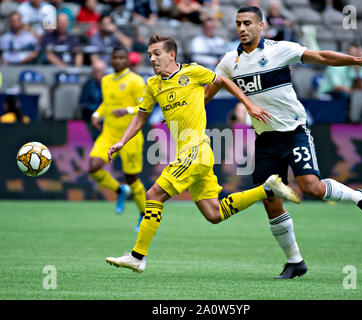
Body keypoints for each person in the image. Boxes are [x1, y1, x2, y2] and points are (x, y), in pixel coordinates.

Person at [205, 6, 362, 279]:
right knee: (271, 200)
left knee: (310, 186)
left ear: (261, 26)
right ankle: (295, 262)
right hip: (265, 138)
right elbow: (209, 91)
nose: (242, 28)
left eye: (248, 23)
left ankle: (358, 197)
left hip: (294, 131)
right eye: (238, 23)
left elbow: (321, 56)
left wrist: (356, 61)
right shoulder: (230, 61)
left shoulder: (280, 49)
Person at [105, 33, 299, 273]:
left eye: (157, 54)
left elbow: (223, 81)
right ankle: (267, 189)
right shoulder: (153, 84)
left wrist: (249, 105)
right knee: (214, 214)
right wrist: (122, 141)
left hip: (196, 151)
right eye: (149, 55)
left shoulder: (193, 72)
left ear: (171, 54)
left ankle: (137, 256)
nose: (152, 59)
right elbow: (141, 116)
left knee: (154, 194)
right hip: (192, 154)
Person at [89, 46, 146, 231]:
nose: (118, 61)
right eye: (115, 57)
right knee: (93, 167)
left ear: (128, 61)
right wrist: (97, 114)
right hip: (109, 134)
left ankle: (143, 214)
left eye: (122, 58)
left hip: (130, 136)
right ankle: (119, 190)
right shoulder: (106, 80)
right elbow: (107, 103)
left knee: (132, 178)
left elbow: (145, 106)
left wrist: (128, 110)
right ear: (111, 60)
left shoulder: (136, 81)